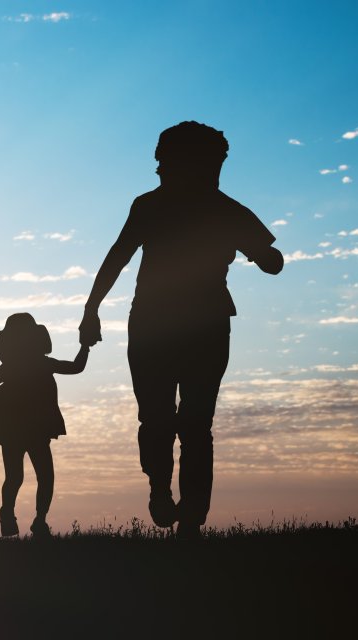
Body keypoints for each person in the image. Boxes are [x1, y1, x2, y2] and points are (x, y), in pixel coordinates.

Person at [78, 122, 283, 539]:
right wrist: (91, 308)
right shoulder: (157, 206)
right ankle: (163, 493)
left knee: (190, 423)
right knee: (165, 419)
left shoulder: (223, 209)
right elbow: (117, 256)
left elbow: (270, 261)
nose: (218, 169)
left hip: (194, 325)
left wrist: (264, 255)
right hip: (163, 324)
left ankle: (189, 517)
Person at [0, 313, 89, 539]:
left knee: (22, 476)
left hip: (24, 427)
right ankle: (28, 518)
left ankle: (24, 517)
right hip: (21, 427)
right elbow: (76, 367)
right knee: (35, 476)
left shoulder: (22, 365)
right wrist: (85, 346)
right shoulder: (32, 364)